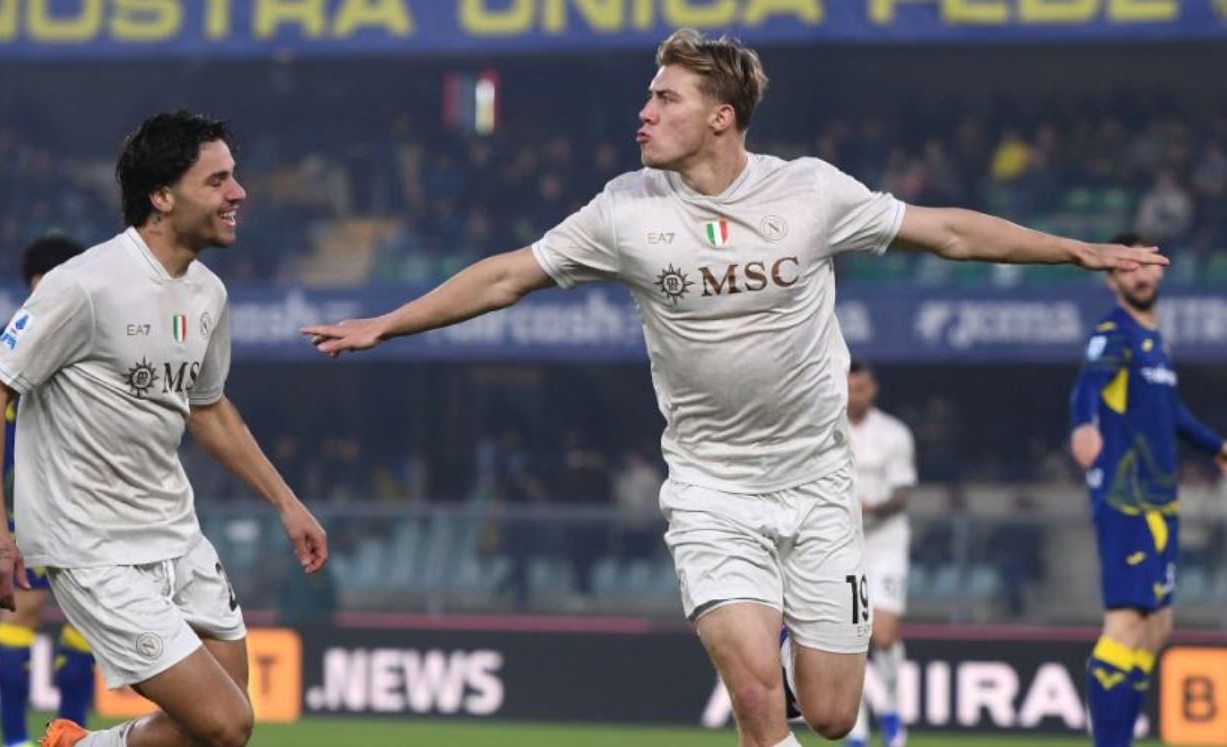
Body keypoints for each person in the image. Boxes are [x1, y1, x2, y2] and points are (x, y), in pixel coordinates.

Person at [301, 30, 1166, 747]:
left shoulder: (810, 192)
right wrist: (388, 322)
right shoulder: (624, 209)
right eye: (647, 97)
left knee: (832, 714)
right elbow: (504, 277)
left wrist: (1075, 250)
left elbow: (946, 232)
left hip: (819, 486)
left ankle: (799, 675)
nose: (643, 113)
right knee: (756, 705)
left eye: (664, 98)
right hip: (711, 490)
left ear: (721, 117)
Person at [0, 111, 328, 747]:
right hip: (91, 544)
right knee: (227, 724)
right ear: (162, 196)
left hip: (176, 533)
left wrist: (286, 501)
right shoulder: (84, 285)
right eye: (217, 181)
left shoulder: (208, 293)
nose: (238, 193)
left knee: (217, 729)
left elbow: (208, 409)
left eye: (234, 177)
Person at [1068, 231, 1227, 747]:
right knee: (1126, 625)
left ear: (1161, 268)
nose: (1138, 275)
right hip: (1127, 499)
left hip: (1159, 503)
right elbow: (1088, 386)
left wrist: (1217, 447)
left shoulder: (1156, 342)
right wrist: (1084, 425)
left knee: (1157, 629)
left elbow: (1171, 411)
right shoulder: (1114, 332)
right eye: (1126, 267)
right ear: (1111, 279)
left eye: (1146, 264)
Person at [0, 235, 94, 747]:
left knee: (90, 621)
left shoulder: (92, 344)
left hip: (87, 506)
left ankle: (72, 736)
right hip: (20, 508)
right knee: (24, 610)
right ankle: (14, 741)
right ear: (36, 284)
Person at [845, 361, 916, 747]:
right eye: (848, 387)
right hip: (842, 546)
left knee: (884, 636)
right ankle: (856, 730)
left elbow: (903, 493)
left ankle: (890, 707)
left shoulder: (894, 434)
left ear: (872, 390)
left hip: (886, 541)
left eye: (860, 388)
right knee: (849, 636)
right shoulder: (825, 431)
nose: (854, 395)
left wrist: (870, 508)